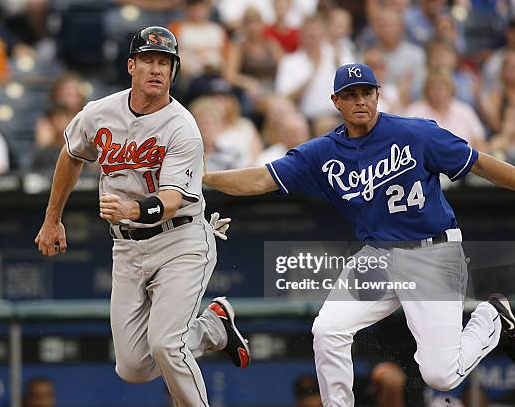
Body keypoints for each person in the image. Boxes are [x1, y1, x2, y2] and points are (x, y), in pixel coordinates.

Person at [203, 62, 515, 406]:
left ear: (378, 95)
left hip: (433, 253)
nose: (360, 100)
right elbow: (262, 178)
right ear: (336, 101)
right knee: (327, 330)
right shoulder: (322, 153)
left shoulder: (416, 134)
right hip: (379, 256)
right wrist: (204, 178)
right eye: (351, 95)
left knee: (440, 376)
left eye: (367, 92)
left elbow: (480, 163)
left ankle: (492, 316)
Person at [34, 26, 250, 406]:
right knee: (133, 367)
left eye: (165, 63)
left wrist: (132, 208)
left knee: (167, 345)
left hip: (180, 239)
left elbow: (170, 199)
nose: (157, 69)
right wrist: (53, 218)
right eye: (149, 60)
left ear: (173, 72)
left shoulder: (182, 126)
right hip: (128, 248)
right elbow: (70, 153)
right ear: (131, 65)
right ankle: (214, 326)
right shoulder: (99, 113)